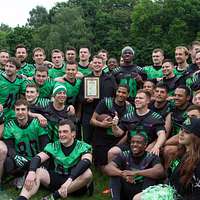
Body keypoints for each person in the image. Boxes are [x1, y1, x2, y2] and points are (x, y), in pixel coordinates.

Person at [17, 119, 93, 200]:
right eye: (60, 132)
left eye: (65, 131)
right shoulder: (54, 146)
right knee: (37, 171)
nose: (61, 134)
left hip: (75, 183)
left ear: (73, 134)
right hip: (58, 179)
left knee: (88, 173)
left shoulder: (83, 146)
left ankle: (53, 196)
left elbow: (86, 161)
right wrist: (31, 172)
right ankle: (22, 198)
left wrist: (69, 180)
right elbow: (37, 158)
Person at [0, 99, 49, 188]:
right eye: (17, 109)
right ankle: (22, 175)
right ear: (14, 111)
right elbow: (9, 146)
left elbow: (44, 144)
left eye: (23, 109)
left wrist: (40, 161)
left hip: (37, 158)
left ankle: (28, 175)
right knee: (8, 163)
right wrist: (15, 156)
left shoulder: (37, 123)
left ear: (28, 111)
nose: (20, 112)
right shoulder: (10, 125)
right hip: (21, 159)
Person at [105, 131, 164, 200]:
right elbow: (108, 168)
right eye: (132, 142)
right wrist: (122, 174)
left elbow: (160, 171)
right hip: (127, 187)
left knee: (151, 177)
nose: (135, 144)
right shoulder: (124, 154)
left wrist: (136, 173)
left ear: (145, 145)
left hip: (142, 190)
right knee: (114, 175)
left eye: (138, 142)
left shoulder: (152, 157)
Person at [110, 89, 166, 157]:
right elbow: (118, 134)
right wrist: (114, 125)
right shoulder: (128, 116)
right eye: (136, 98)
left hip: (147, 147)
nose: (137, 100)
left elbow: (162, 134)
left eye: (141, 98)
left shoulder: (156, 117)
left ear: (148, 101)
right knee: (112, 152)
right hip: (130, 146)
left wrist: (156, 147)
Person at [90, 84, 134, 171]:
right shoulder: (105, 102)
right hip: (102, 137)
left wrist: (119, 144)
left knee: (116, 163)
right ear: (116, 92)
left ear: (128, 95)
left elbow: (129, 131)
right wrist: (102, 124)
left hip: (118, 138)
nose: (121, 94)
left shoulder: (130, 109)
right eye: (119, 92)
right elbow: (92, 120)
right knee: (101, 167)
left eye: (124, 93)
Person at [78, 55, 116, 144]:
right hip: (88, 113)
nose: (97, 64)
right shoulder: (85, 78)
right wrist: (86, 99)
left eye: (99, 63)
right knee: (87, 140)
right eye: (95, 63)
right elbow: (80, 97)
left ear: (103, 64)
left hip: (104, 113)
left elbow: (115, 95)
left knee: (103, 141)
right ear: (92, 64)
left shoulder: (110, 79)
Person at [169, 117, 200, 199]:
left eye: (186, 132)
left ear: (196, 137)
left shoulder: (198, 161)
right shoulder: (180, 153)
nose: (181, 134)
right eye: (181, 129)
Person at [0, 57, 27, 121]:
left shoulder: (21, 81)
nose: (7, 69)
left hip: (12, 114)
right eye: (6, 66)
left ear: (17, 69)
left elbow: (25, 97)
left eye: (11, 67)